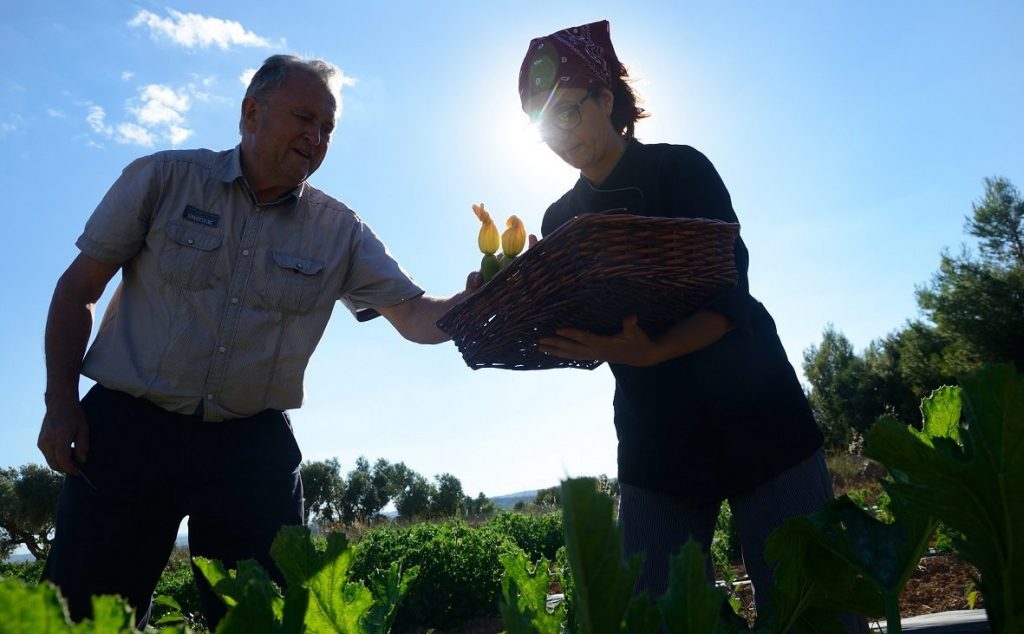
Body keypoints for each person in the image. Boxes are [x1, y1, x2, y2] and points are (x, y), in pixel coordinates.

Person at [37, 54, 475, 628]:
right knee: (81, 618)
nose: (316, 137)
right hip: (127, 432)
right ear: (250, 113)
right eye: (304, 118)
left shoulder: (340, 231)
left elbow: (415, 315)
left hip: (250, 448)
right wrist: (60, 404)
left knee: (265, 621)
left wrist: (479, 300)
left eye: (328, 128)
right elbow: (77, 290)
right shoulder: (164, 178)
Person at [519, 21, 865, 631]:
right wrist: (518, 297)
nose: (561, 135)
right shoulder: (561, 220)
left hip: (757, 413)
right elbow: (579, 322)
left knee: (813, 607)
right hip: (658, 435)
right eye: (545, 124)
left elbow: (731, 295)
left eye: (569, 112)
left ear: (606, 98)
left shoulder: (680, 170)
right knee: (656, 612)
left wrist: (654, 351)